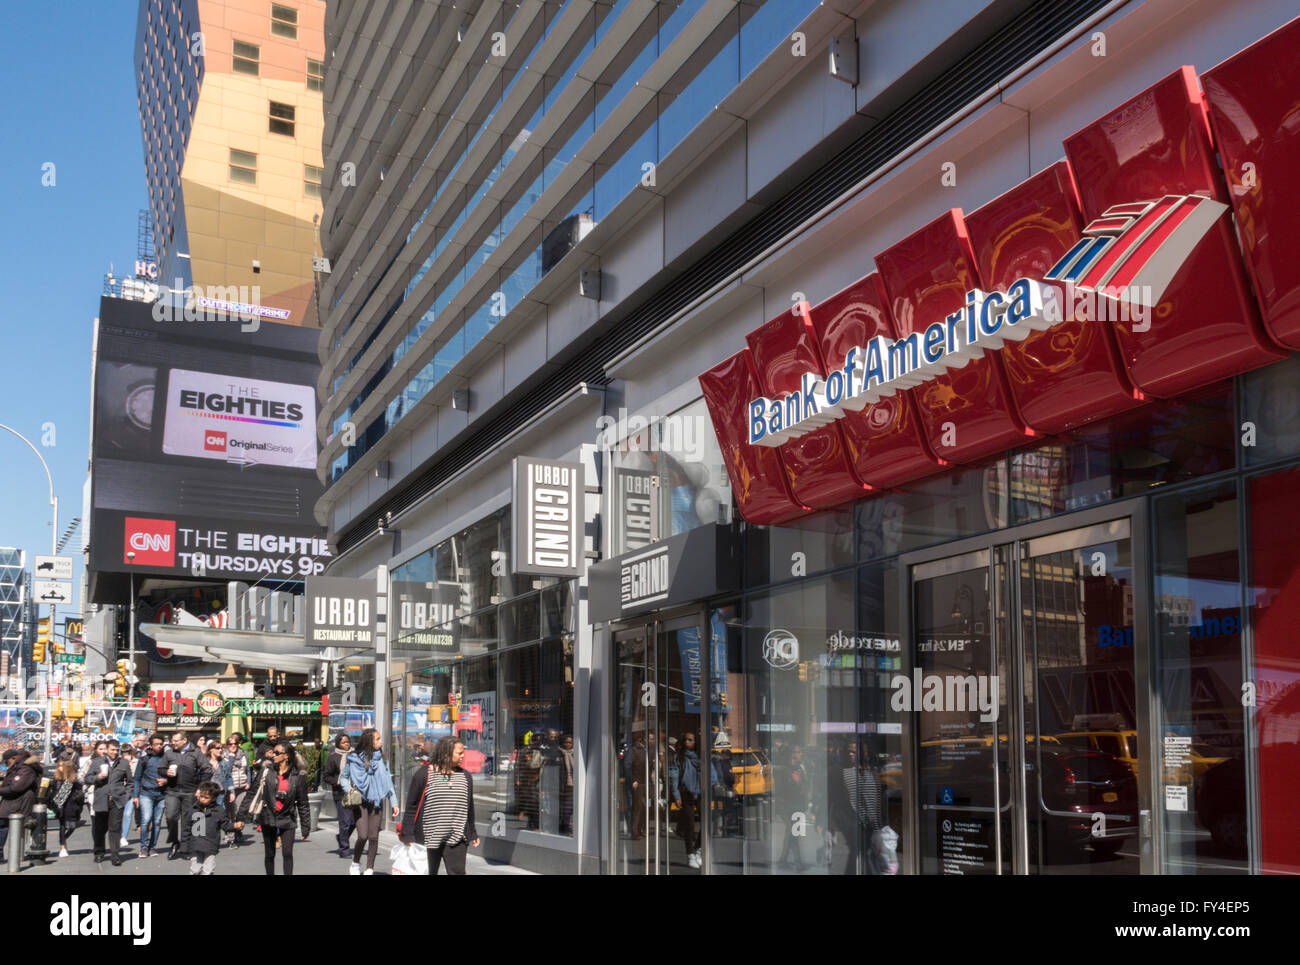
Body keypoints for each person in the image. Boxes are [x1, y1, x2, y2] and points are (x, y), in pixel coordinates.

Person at [401, 735, 479, 875]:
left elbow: (469, 808)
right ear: (446, 753)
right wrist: (408, 834)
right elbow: (411, 807)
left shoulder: (465, 776)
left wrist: (472, 832)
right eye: (459, 753)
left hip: (457, 837)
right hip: (428, 838)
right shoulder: (424, 774)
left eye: (463, 752)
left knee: (458, 872)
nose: (463, 756)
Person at [236, 740, 310, 876]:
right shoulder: (266, 771)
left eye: (277, 753)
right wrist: (240, 816)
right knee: (270, 853)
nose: (273, 755)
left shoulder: (298, 775)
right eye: (272, 752)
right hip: (268, 815)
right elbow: (251, 794)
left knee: (287, 853)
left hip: (287, 817)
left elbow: (303, 802)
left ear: (286, 755)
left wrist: (306, 826)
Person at [345, 728, 398, 874]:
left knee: (373, 836)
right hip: (360, 800)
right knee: (363, 835)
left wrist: (394, 802)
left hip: (376, 800)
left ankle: (370, 867)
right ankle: (355, 862)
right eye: (378, 739)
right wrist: (347, 788)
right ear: (369, 741)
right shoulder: (354, 758)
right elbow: (343, 778)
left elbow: (387, 780)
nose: (381, 741)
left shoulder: (382, 758)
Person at [162, 731, 214, 859]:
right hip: (172, 791)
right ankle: (174, 842)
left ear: (184, 740)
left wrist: (200, 788)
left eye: (175, 741)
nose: (172, 743)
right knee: (170, 817)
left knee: (187, 821)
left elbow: (207, 770)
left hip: (190, 792)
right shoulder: (169, 753)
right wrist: (165, 772)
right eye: (172, 740)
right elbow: (161, 768)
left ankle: (186, 848)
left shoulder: (195, 753)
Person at [89, 740, 133, 866]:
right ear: (107, 749)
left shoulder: (123, 763)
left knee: (115, 828)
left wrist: (126, 796)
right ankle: (99, 852)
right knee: (99, 829)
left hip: (117, 800)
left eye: (116, 750)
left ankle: (115, 855)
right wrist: (98, 778)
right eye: (112, 749)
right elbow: (87, 778)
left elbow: (130, 782)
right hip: (101, 799)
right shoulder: (97, 762)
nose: (114, 752)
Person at [0, 748, 43, 858]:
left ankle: (15, 855)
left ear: (13, 758)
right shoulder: (17, 767)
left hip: (19, 802)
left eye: (6, 761)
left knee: (6, 825)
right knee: (3, 825)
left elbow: (17, 787)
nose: (5, 764)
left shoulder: (25, 768)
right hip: (12, 801)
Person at [320, 733, 357, 856]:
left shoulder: (354, 755)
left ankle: (341, 837)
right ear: (338, 744)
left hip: (354, 792)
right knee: (345, 821)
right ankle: (344, 849)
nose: (347, 744)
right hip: (340, 793)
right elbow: (326, 776)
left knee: (354, 821)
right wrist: (338, 781)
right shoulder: (333, 757)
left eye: (348, 742)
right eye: (344, 742)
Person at [133, 733, 168, 858]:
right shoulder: (144, 759)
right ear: (151, 746)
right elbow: (137, 778)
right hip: (146, 793)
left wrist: (166, 781)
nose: (159, 746)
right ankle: (143, 846)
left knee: (157, 821)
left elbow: (174, 775)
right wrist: (135, 796)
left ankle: (152, 847)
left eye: (161, 744)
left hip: (162, 794)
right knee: (146, 820)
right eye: (156, 744)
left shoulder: (167, 758)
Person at [189, 780, 231, 875]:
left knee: (208, 870)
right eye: (201, 796)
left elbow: (225, 825)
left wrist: (235, 826)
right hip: (195, 845)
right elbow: (186, 827)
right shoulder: (194, 809)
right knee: (195, 870)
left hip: (210, 845)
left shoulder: (219, 811)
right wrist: (184, 844)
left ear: (214, 798)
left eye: (206, 797)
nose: (202, 799)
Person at [675, 732, 703, 868]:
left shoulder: (700, 757)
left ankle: (698, 849)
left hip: (700, 792)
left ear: (695, 742)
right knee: (690, 825)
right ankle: (690, 854)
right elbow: (674, 777)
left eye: (690, 740)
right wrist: (676, 796)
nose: (687, 742)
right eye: (685, 739)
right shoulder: (680, 757)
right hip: (686, 792)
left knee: (707, 823)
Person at [49, 755, 85, 858]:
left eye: (62, 767)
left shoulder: (73, 780)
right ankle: (62, 846)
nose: (59, 768)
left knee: (72, 826)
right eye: (58, 766)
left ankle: (64, 839)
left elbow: (79, 791)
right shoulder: (58, 780)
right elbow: (55, 794)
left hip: (72, 806)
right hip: (61, 807)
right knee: (62, 826)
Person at [221, 734, 251, 846]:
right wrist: (232, 757)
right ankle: (230, 837)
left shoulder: (244, 754)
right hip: (230, 788)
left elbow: (248, 769)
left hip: (242, 786)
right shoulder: (224, 755)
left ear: (239, 744)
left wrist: (249, 782)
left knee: (240, 812)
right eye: (230, 744)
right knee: (231, 813)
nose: (233, 746)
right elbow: (226, 770)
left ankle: (238, 831)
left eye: (235, 744)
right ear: (227, 745)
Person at [119, 743, 138, 850]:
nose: (125, 755)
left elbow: (137, 777)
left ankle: (123, 836)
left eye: (127, 753)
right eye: (123, 753)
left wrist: (130, 767)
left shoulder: (136, 762)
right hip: (120, 791)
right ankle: (117, 834)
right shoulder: (119, 762)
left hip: (131, 791)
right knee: (118, 815)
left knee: (127, 813)